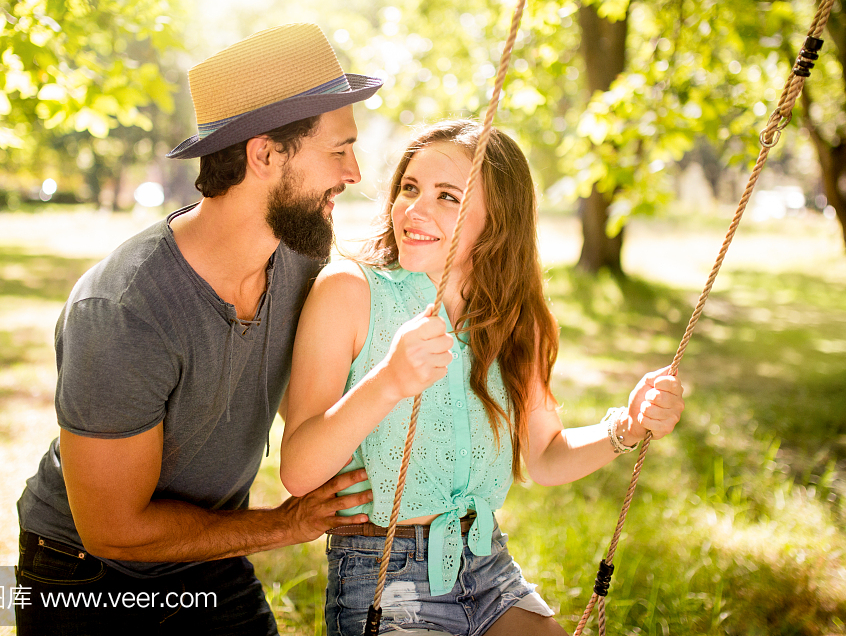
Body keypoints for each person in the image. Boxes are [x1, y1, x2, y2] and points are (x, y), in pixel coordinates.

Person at [14, 23, 385, 635]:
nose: (355, 173)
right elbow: (116, 529)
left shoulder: (302, 260)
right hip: (84, 572)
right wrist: (285, 525)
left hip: (207, 548)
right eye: (339, 150)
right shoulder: (123, 310)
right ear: (264, 154)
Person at [280, 119, 686, 636]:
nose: (415, 209)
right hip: (385, 573)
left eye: (448, 196)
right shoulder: (350, 290)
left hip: (487, 565)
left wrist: (626, 428)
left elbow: (545, 456)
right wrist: (389, 381)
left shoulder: (518, 319)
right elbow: (298, 470)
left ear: (498, 220)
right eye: (410, 187)